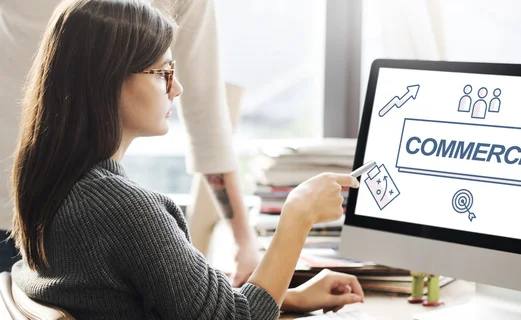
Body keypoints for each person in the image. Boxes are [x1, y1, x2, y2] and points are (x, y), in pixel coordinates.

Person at [9, 0, 365, 319]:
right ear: (109, 80)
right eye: (162, 73)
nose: (176, 88)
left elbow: (171, 299)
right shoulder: (123, 210)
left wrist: (287, 297)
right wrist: (298, 214)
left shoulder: (54, 186)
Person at [0, 0, 261, 285]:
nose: (175, 88)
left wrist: (242, 240)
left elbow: (206, 116)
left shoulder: (122, 207)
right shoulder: (132, 214)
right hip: (31, 212)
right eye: (162, 73)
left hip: (39, 204)